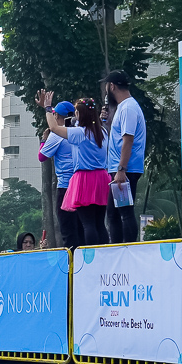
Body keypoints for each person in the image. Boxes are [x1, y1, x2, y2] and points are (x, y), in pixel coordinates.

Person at [39, 92, 110, 248]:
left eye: (77, 112)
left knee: (87, 223)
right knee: (99, 223)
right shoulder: (102, 132)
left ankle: (89, 255)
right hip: (102, 177)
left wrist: (48, 108)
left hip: (85, 178)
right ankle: (103, 253)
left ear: (81, 115)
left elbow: (54, 128)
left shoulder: (80, 133)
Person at [103, 70, 146, 244]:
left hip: (125, 169)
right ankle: (118, 247)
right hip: (120, 168)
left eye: (106, 86)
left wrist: (121, 169)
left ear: (112, 86)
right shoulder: (123, 107)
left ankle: (128, 248)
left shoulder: (128, 108)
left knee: (124, 212)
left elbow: (128, 140)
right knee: (113, 213)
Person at [37, 100, 79, 247]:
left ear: (57, 116)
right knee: (82, 226)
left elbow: (42, 156)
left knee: (67, 228)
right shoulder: (80, 131)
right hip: (81, 184)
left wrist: (44, 140)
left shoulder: (57, 135)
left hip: (66, 186)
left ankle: (72, 258)